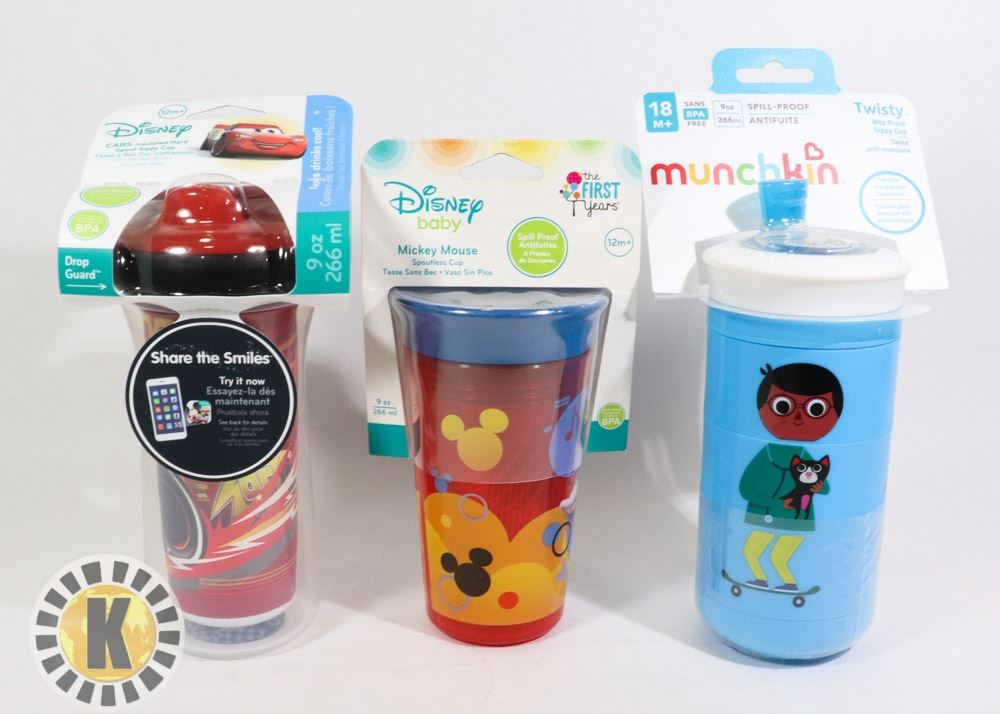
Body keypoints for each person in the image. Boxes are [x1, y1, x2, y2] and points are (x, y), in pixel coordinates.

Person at [738, 363, 843, 592]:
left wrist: (819, 487)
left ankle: (790, 584)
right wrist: (777, 503)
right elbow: (745, 489)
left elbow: (824, 487)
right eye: (783, 406)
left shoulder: (805, 456)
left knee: (779, 556)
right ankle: (760, 580)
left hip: (796, 518)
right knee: (750, 552)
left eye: (816, 409)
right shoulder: (765, 455)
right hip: (764, 515)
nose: (797, 417)